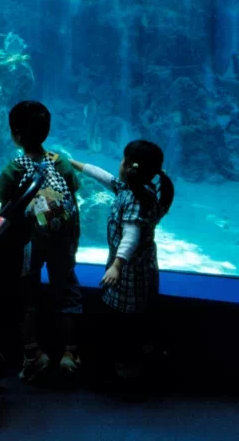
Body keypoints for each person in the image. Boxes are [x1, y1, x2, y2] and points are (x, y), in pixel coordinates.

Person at [74, 141, 176, 386]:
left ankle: (127, 375)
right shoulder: (139, 189)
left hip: (130, 274)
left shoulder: (135, 200)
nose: (118, 164)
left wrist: (117, 265)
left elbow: (131, 235)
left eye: (122, 159)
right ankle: (128, 367)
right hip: (138, 270)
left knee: (127, 324)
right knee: (130, 321)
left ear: (130, 166)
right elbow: (104, 177)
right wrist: (73, 163)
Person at [0, 101, 83, 381]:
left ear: (16, 134)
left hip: (29, 243)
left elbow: (3, 213)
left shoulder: (13, 169)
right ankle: (71, 353)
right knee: (67, 289)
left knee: (25, 294)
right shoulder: (62, 161)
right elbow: (73, 199)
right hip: (63, 241)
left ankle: (33, 354)